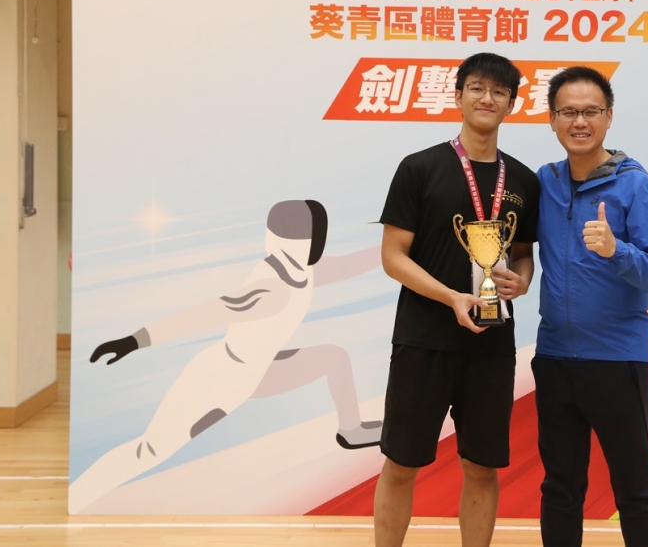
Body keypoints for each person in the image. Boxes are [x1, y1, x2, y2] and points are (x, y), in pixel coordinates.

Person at [69, 200, 382, 514]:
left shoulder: (305, 272)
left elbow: (349, 264)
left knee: (334, 358)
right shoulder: (273, 288)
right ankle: (81, 495)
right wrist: (134, 341)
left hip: (261, 369)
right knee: (149, 450)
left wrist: (401, 246)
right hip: (222, 377)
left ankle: (351, 430)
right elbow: (206, 314)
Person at [374, 52, 539, 547]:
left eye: (499, 91)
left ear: (511, 103)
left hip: (492, 344)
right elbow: (392, 257)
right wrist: (451, 298)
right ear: (459, 95)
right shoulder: (419, 168)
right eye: (477, 88)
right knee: (401, 464)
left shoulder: (523, 180)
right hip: (423, 340)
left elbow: (524, 256)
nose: (488, 98)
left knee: (482, 467)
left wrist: (522, 282)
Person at [533, 66, 648, 547]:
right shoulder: (545, 182)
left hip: (619, 360)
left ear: (609, 117)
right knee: (560, 488)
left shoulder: (636, 186)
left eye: (591, 111)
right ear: (552, 119)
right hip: (555, 358)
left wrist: (617, 250)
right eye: (568, 112)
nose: (580, 122)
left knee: (634, 489)